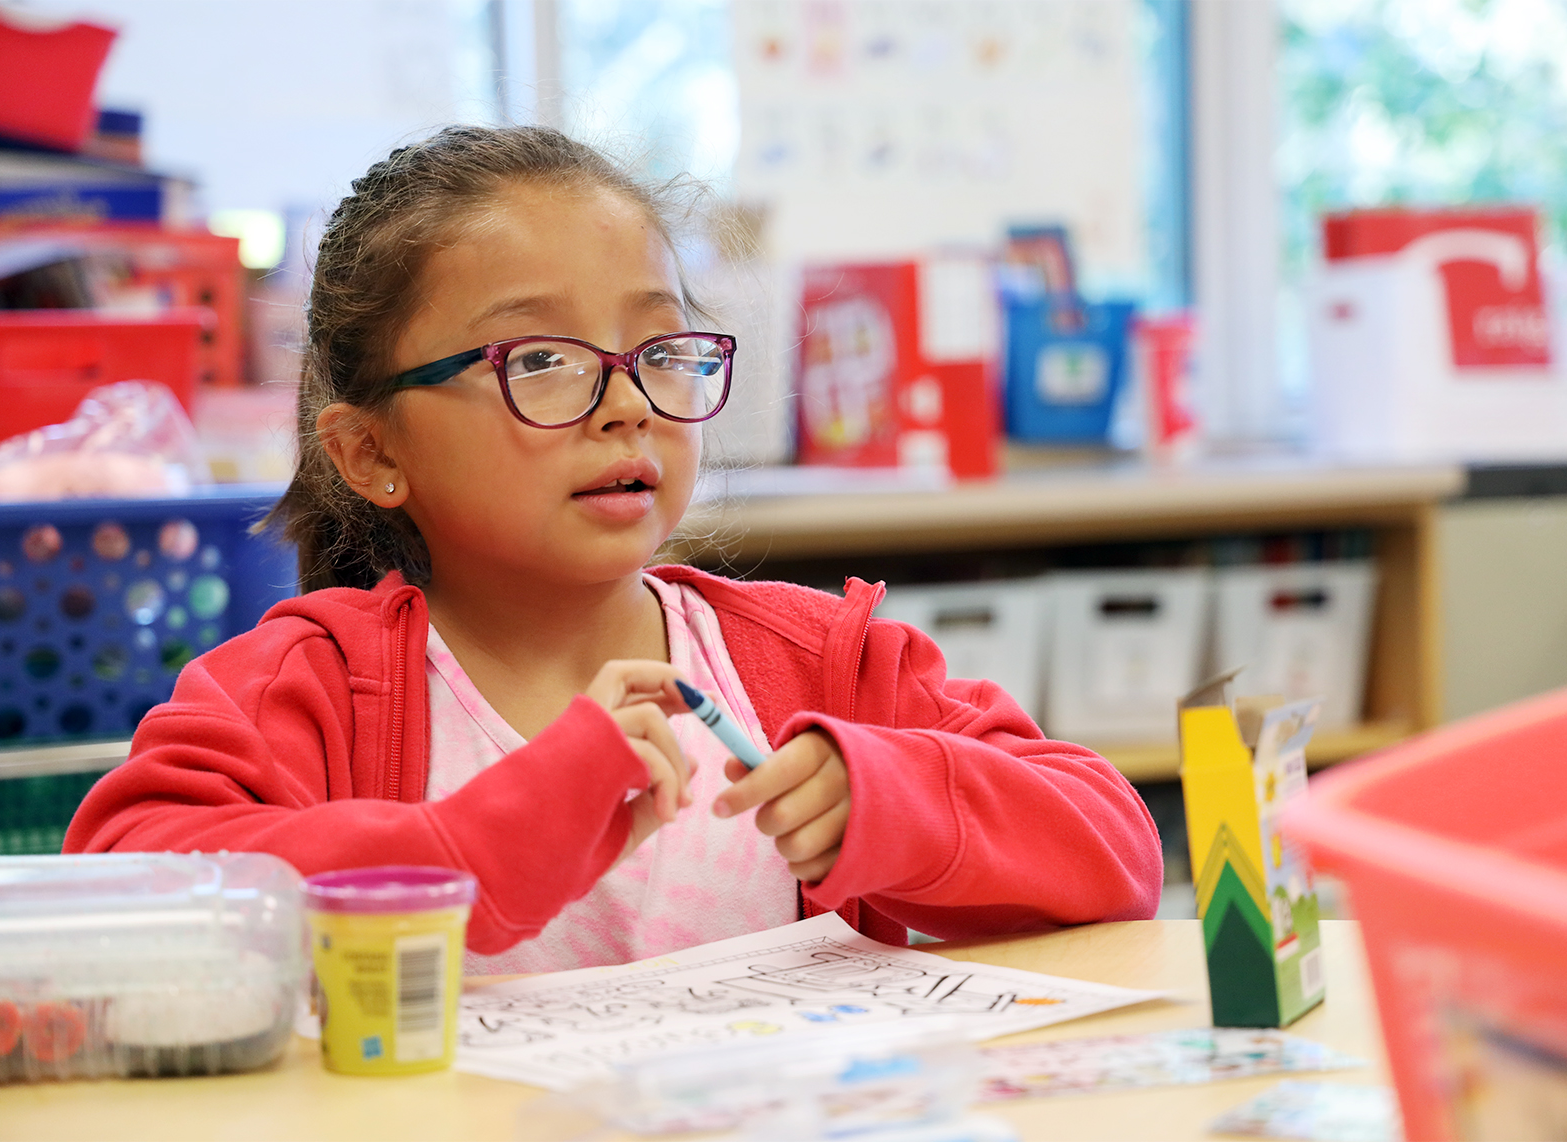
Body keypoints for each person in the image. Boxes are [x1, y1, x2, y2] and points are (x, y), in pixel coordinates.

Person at [65, 126, 1162, 973]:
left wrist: (892, 796)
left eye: (659, 348)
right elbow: (124, 891)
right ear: (370, 449)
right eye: (540, 360)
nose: (626, 402)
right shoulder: (310, 684)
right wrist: (470, 843)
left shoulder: (818, 662)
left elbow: (1116, 849)